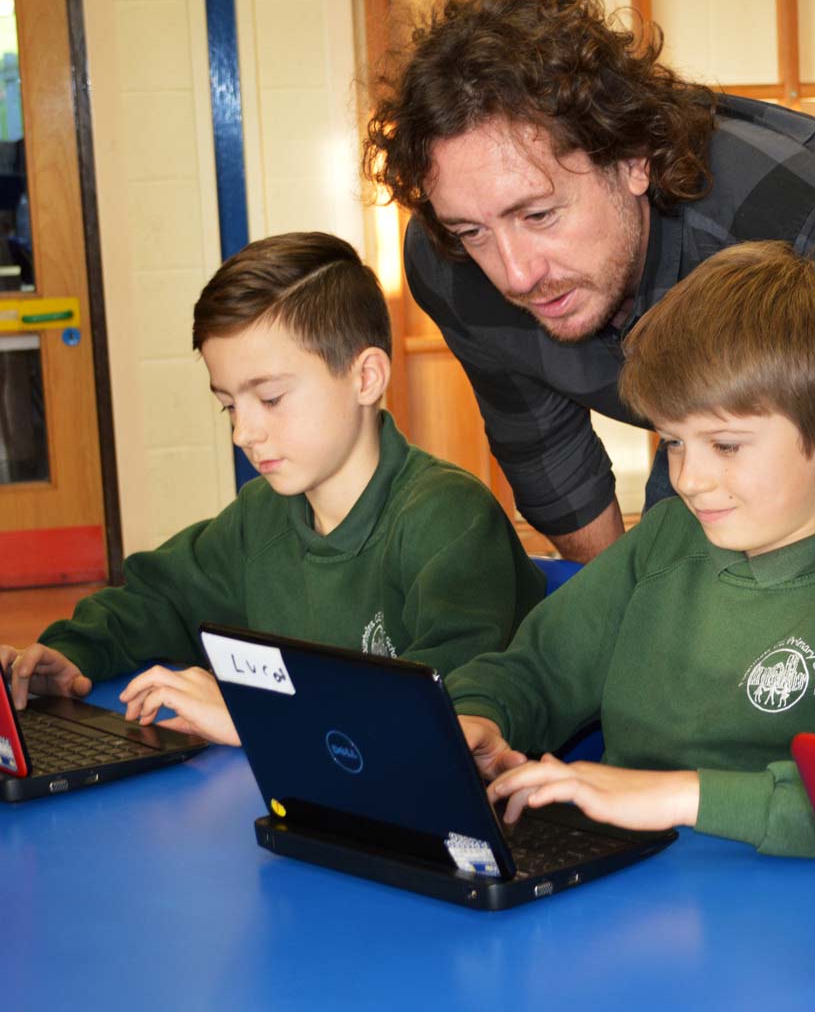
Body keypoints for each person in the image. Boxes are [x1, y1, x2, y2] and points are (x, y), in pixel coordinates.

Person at [363, 0, 815, 760]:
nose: (515, 272)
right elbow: (547, 457)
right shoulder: (454, 259)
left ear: (632, 164)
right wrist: (629, 619)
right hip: (727, 402)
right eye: (475, 230)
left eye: (539, 214)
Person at [447, 242, 815, 858]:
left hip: (791, 910)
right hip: (640, 883)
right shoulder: (668, 538)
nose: (688, 479)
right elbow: (536, 670)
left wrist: (677, 796)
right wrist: (478, 717)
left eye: (725, 446)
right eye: (674, 442)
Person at [0, 233, 542, 745]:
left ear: (366, 378)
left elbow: (444, 707)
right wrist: (69, 653)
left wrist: (259, 716)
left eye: (272, 398)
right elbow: (159, 598)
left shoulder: (449, 518)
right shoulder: (263, 513)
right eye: (229, 405)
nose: (243, 432)